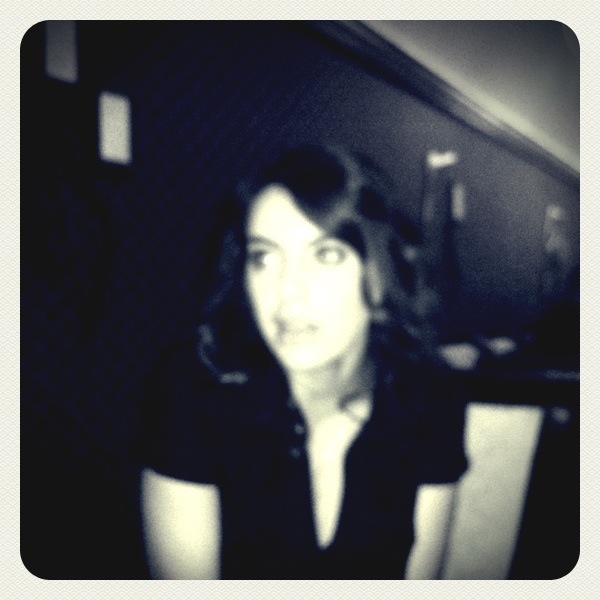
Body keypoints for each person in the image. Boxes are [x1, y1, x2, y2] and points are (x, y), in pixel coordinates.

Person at [138, 144, 468, 579]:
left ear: (379, 274)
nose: (287, 291)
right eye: (264, 257)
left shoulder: (429, 398)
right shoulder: (192, 389)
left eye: (326, 254)